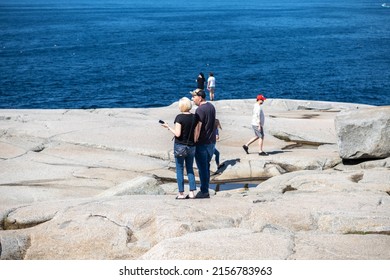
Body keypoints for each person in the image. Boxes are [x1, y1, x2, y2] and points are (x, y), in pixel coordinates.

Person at [161, 97, 198, 199]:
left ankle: (181, 193)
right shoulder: (195, 117)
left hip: (180, 146)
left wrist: (168, 127)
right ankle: (192, 192)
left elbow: (178, 134)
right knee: (190, 169)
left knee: (180, 169)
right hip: (191, 146)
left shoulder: (179, 117)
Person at [191, 88, 216, 198]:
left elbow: (198, 127)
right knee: (206, 166)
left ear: (200, 97)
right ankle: (206, 188)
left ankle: (204, 190)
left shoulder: (200, 110)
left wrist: (193, 141)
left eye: (194, 97)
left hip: (202, 143)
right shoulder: (211, 106)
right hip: (211, 142)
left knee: (202, 168)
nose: (192, 99)